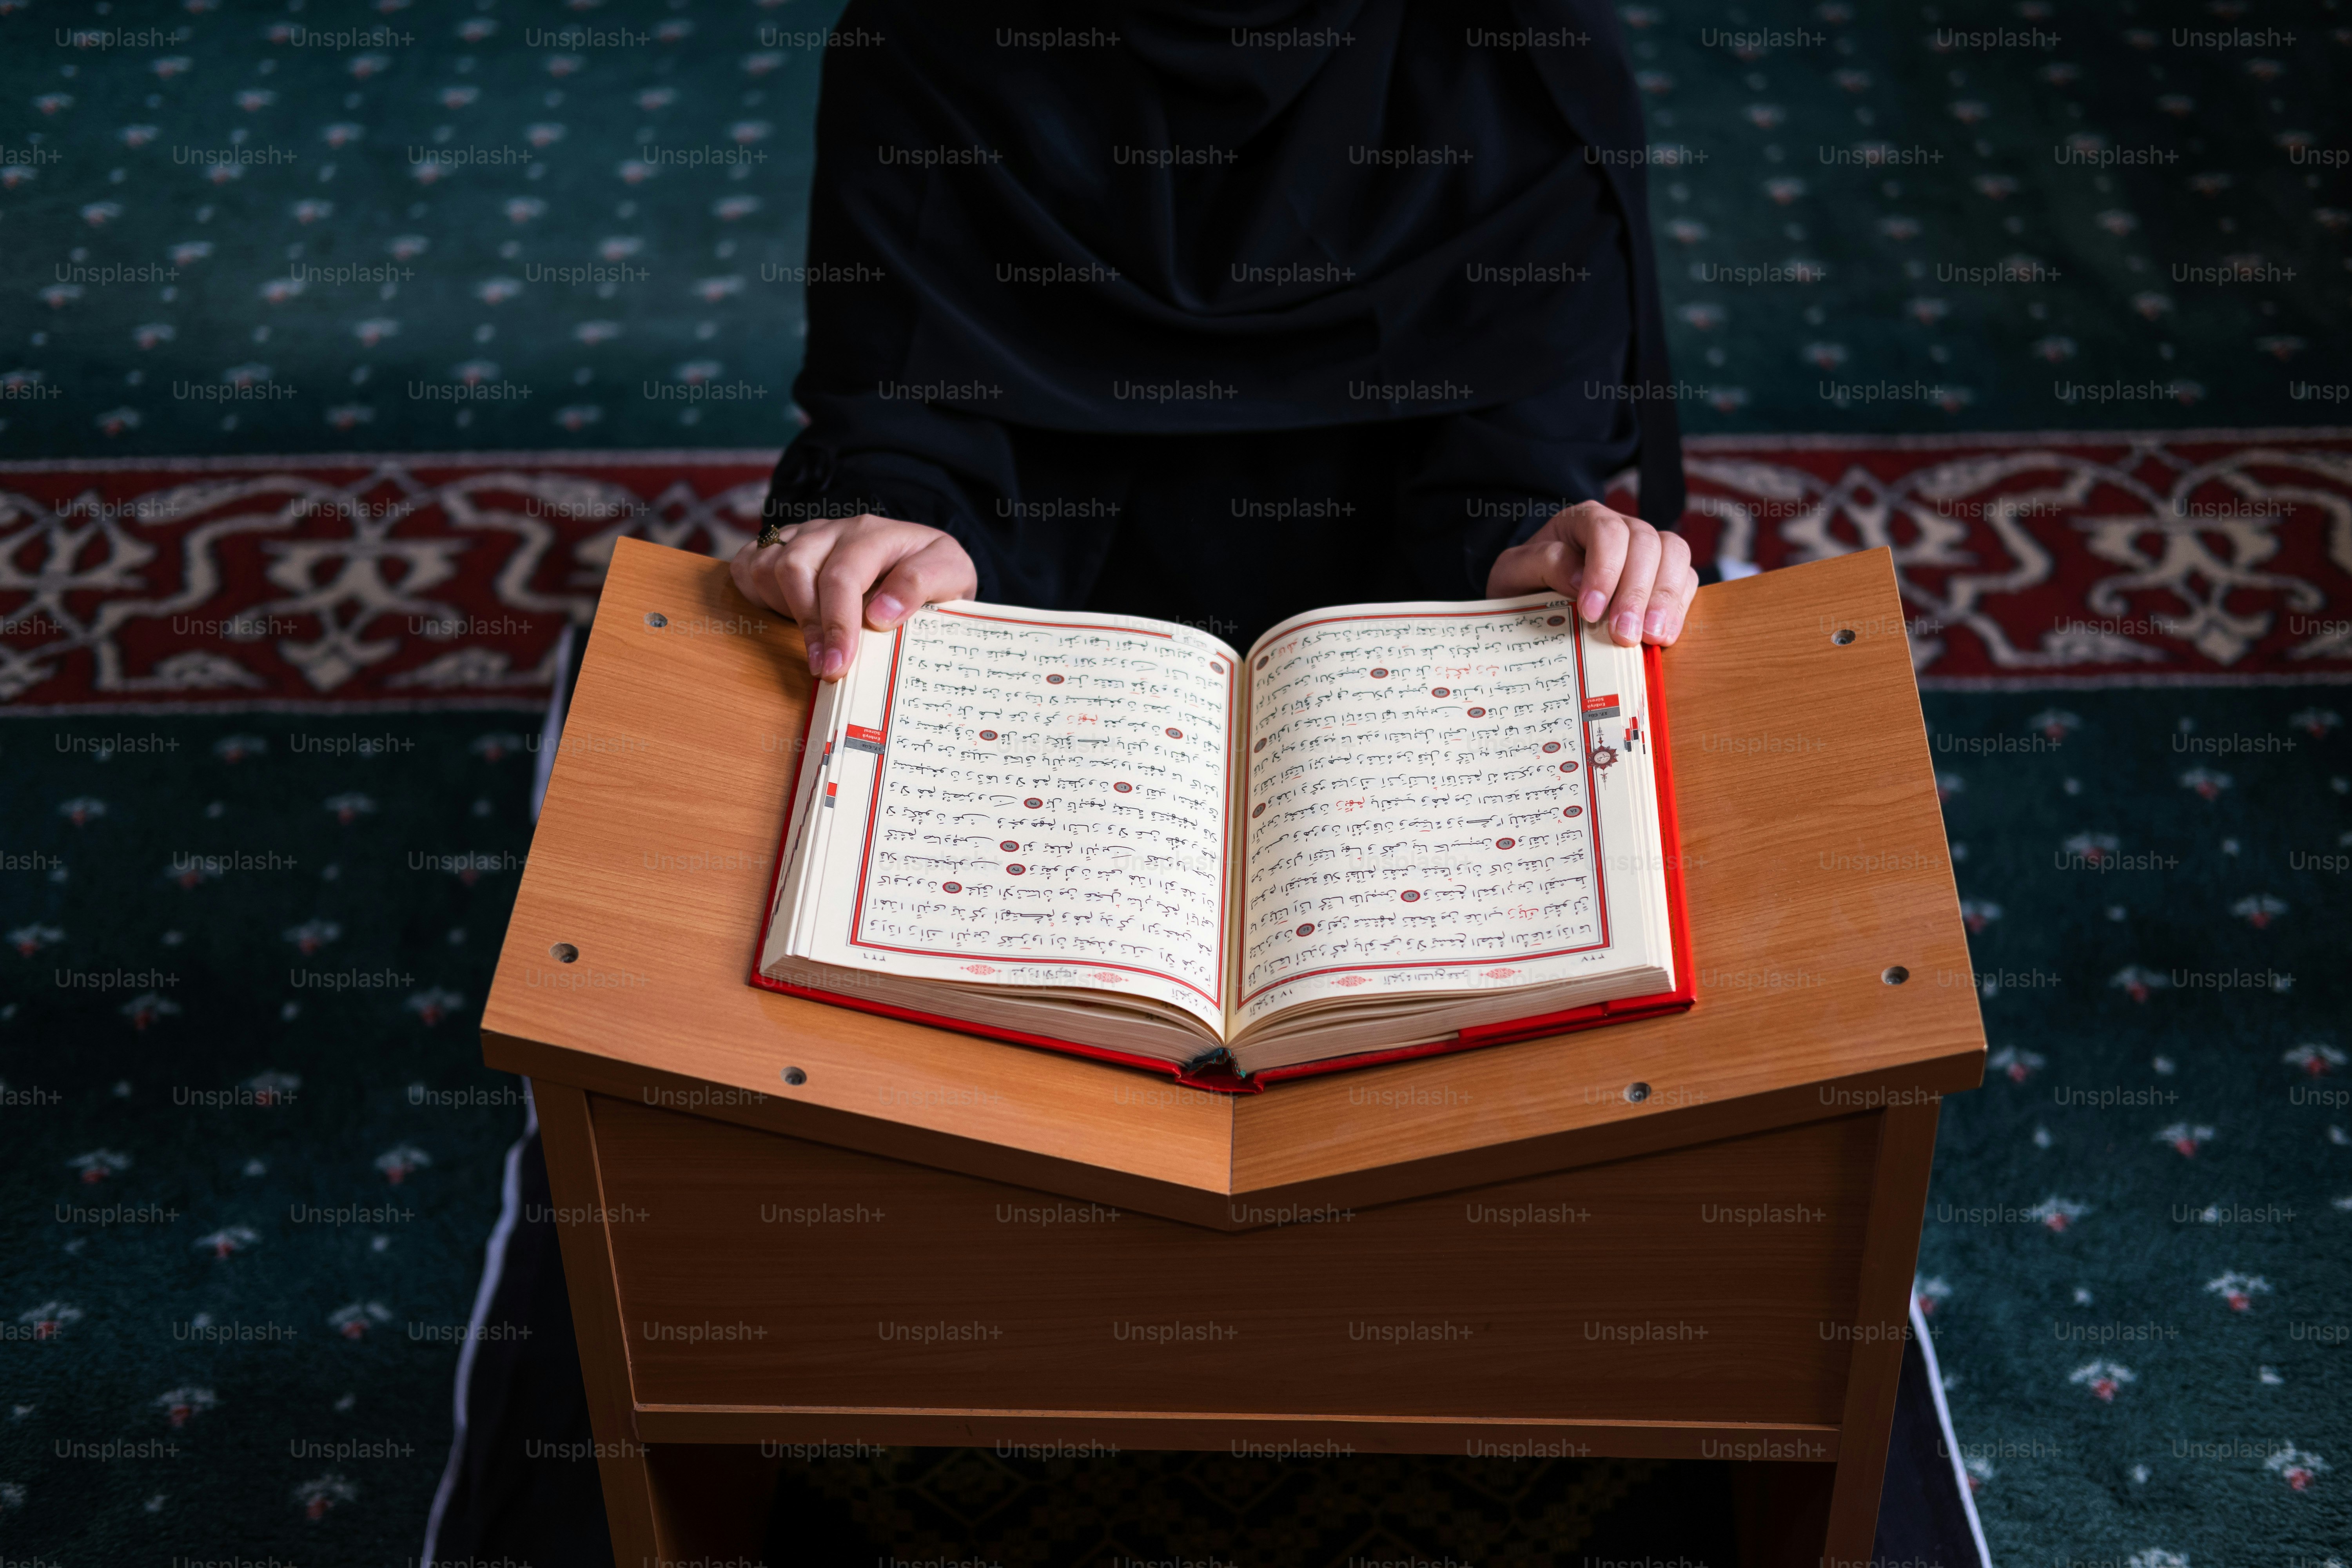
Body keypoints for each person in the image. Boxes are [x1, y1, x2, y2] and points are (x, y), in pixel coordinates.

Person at [730, 0, 1697, 679]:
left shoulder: (1519, 45)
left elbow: (1518, 443)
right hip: (1009, 614)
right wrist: (894, 534)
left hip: (1417, 626)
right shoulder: (931, 30)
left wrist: (1534, 545)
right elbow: (903, 402)